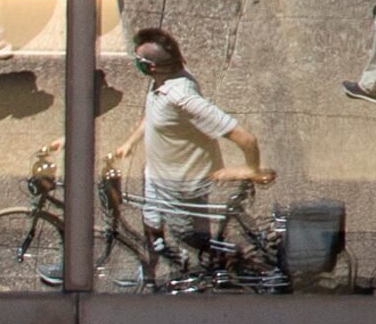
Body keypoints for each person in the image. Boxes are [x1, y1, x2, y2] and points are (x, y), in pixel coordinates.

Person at [108, 28, 270, 272]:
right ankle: (163, 263)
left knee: (190, 237)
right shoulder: (160, 83)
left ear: (152, 66)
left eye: (139, 60)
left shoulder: (182, 97)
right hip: (156, 173)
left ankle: (235, 267)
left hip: (180, 184)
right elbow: (153, 116)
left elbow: (246, 139)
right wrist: (130, 143)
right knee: (151, 222)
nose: (136, 63)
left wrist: (251, 170)